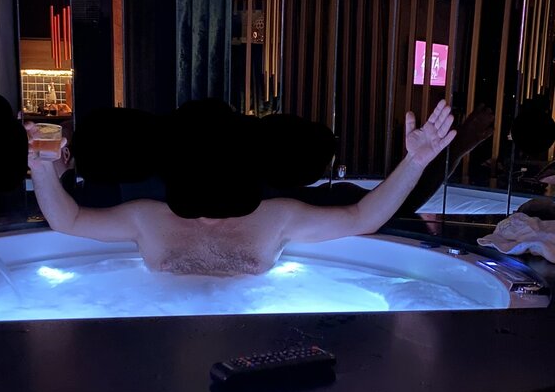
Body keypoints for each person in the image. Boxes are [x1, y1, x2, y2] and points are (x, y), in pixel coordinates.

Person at [26, 99, 456, 276]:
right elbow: (69, 220)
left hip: (250, 343)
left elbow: (364, 217)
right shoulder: (147, 218)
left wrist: (415, 161)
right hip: (162, 337)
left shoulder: (276, 218)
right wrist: (40, 167)